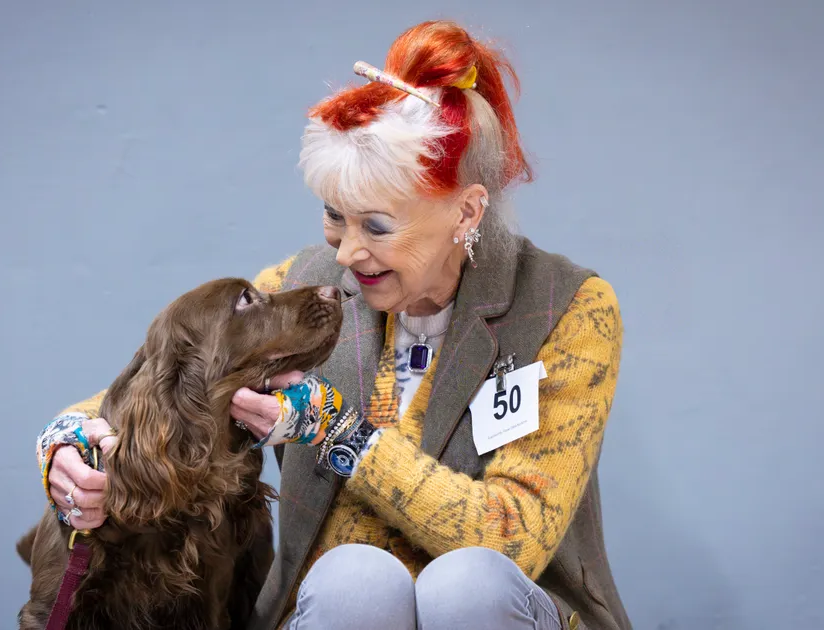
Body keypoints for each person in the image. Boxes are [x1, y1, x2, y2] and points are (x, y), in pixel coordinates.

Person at [34, 20, 632, 630]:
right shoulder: (306, 284)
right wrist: (67, 442)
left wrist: (334, 429)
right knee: (354, 579)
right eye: (333, 216)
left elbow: (510, 537)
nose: (345, 255)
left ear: (466, 211)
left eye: (375, 227)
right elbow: (175, 372)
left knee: (468, 583)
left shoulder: (568, 308)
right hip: (339, 611)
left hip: (495, 610)